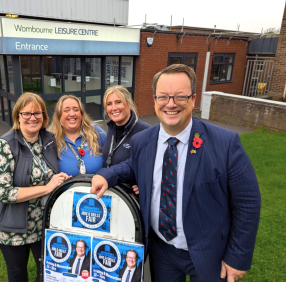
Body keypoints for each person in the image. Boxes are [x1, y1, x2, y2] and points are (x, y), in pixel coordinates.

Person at [90, 64, 261, 282]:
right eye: (163, 97)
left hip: (210, 253)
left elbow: (247, 202)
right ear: (154, 100)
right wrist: (107, 175)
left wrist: (237, 257)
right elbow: (134, 165)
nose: (171, 104)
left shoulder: (225, 144)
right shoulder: (143, 140)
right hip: (162, 250)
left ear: (193, 99)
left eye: (180, 96)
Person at [0, 93, 70, 282]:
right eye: (27, 113)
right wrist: (47, 188)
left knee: (47, 272)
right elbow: (4, 193)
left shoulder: (48, 139)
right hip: (12, 228)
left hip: (42, 224)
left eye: (37, 113)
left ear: (43, 116)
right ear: (18, 116)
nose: (33, 117)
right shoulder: (5, 145)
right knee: (18, 274)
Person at [102, 86, 150, 193]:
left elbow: (154, 166)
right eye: (109, 104)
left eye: (118, 102)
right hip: (111, 193)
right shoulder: (111, 128)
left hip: (131, 198)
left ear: (128, 103)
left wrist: (145, 183)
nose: (113, 108)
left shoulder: (145, 131)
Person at [49, 95, 106, 176]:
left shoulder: (96, 132)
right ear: (59, 115)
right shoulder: (50, 139)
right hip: (66, 188)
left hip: (97, 188)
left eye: (76, 110)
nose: (72, 114)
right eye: (66, 110)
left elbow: (113, 159)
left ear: (81, 114)